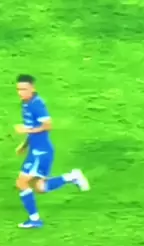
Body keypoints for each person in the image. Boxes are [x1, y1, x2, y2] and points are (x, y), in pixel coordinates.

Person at [14, 74, 90, 229]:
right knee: (40, 187)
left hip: (41, 153)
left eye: (24, 89)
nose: (21, 92)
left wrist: (26, 130)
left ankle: (35, 220)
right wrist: (25, 144)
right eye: (19, 89)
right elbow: (33, 127)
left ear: (32, 88)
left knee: (21, 183)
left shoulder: (37, 104)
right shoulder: (26, 104)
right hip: (36, 150)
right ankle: (71, 177)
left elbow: (48, 126)